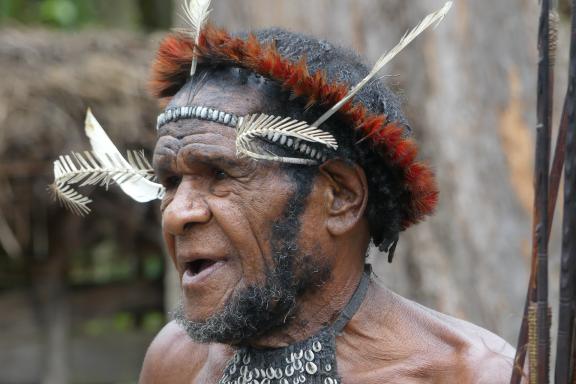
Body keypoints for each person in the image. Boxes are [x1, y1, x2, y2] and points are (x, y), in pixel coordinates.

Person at [135, 12, 516, 382]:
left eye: (220, 174)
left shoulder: (471, 375)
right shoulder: (174, 361)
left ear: (341, 196)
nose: (176, 214)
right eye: (170, 182)